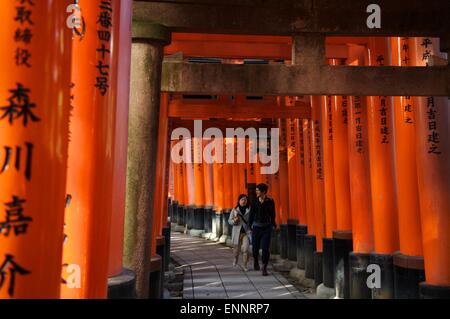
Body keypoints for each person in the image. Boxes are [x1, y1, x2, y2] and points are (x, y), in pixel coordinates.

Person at [248, 183, 276, 276]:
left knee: (265, 249)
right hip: (256, 228)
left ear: (263, 191)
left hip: (266, 228)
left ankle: (264, 267)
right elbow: (251, 215)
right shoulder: (254, 202)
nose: (256, 192)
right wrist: (249, 226)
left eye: (257, 190)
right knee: (255, 249)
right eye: (256, 190)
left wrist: (273, 224)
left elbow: (273, 214)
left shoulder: (270, 201)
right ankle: (256, 260)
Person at [228, 194, 251, 271]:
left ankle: (245, 266)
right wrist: (234, 221)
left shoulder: (249, 210)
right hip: (237, 233)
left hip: (246, 233)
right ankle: (235, 258)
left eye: (245, 199)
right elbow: (229, 221)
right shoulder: (234, 210)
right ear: (239, 201)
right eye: (242, 199)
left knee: (245, 249)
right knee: (236, 251)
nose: (243, 201)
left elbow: (251, 220)